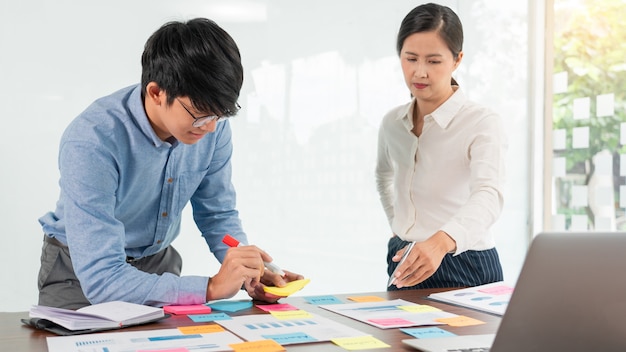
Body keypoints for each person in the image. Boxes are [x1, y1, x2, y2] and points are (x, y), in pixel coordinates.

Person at [37, 18, 303, 309]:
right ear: (156, 92)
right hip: (81, 272)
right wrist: (211, 288)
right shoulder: (92, 140)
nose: (212, 128)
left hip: (157, 264)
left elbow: (217, 216)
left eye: (220, 115)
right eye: (201, 114)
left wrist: (250, 270)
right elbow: (102, 278)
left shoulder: (211, 127)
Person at [376, 3, 507, 290]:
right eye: (410, 59)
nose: (419, 72)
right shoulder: (392, 123)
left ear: (457, 60)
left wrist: (441, 241)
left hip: (465, 260)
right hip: (406, 258)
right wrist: (402, 229)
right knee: (395, 336)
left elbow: (489, 193)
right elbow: (383, 177)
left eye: (433, 61)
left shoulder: (481, 121)